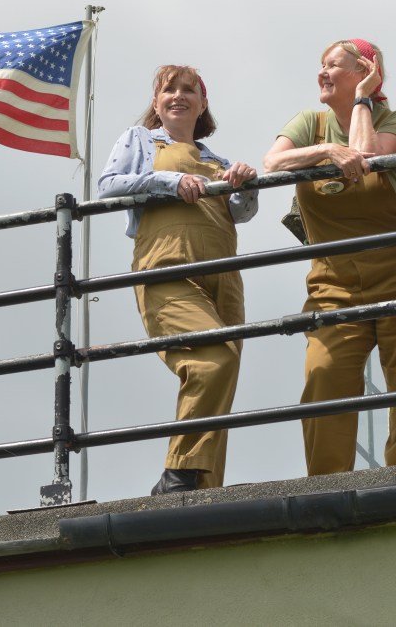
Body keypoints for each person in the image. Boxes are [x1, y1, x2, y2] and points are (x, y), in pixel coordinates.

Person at [263, 40, 396, 475]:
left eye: (333, 65)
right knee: (324, 376)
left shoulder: (394, 120)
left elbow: (368, 158)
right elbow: (273, 162)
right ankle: (327, 486)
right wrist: (326, 151)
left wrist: (362, 99)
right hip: (334, 283)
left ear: (365, 71)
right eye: (321, 65)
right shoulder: (310, 123)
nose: (322, 73)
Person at [99, 65, 258, 495]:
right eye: (169, 89)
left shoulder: (218, 161)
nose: (178, 96)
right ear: (156, 102)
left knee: (224, 375)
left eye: (189, 90)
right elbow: (108, 185)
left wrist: (246, 186)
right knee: (213, 361)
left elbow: (240, 213)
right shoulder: (139, 139)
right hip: (167, 266)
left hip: (224, 277)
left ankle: (204, 488)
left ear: (203, 105)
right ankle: (178, 473)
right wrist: (172, 181)